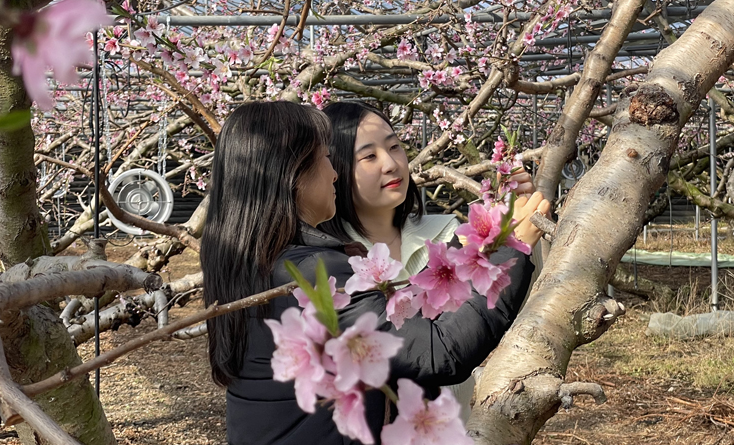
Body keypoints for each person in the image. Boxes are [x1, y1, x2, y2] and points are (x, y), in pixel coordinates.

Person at [201, 101, 549, 445]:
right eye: (325, 157)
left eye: (395, 146)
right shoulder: (315, 271)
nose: (333, 171)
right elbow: (437, 353)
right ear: (292, 174)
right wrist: (507, 249)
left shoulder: (246, 264)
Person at [317, 101, 545, 418]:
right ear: (333, 172)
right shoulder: (332, 263)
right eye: (369, 156)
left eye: (395, 146)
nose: (391, 163)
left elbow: (507, 311)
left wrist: (511, 233)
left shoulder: (445, 232)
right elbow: (429, 351)